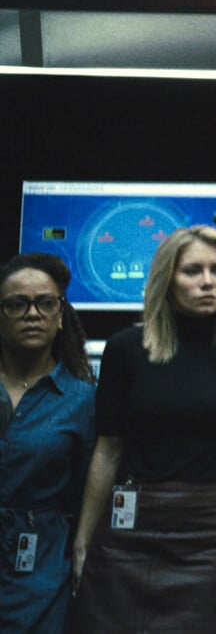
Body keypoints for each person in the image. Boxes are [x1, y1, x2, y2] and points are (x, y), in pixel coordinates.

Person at [69, 226, 216, 633]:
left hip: (208, 532)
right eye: (192, 270)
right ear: (167, 280)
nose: (208, 282)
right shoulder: (125, 348)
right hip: (129, 529)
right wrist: (83, 541)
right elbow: (108, 449)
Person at [0, 254, 95, 634]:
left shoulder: (81, 400)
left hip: (42, 566)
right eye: (16, 304)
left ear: (60, 316)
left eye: (45, 303)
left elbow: (88, 491)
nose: (32, 314)